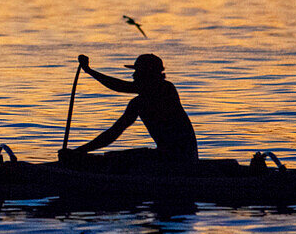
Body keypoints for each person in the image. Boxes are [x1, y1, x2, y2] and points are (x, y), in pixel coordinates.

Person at [60, 53, 198, 167]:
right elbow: (114, 132)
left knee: (117, 160)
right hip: (164, 157)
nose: (133, 76)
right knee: (114, 157)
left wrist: (89, 71)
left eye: (137, 72)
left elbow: (121, 87)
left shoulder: (166, 90)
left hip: (180, 159)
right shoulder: (137, 104)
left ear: (147, 74)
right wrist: (79, 151)